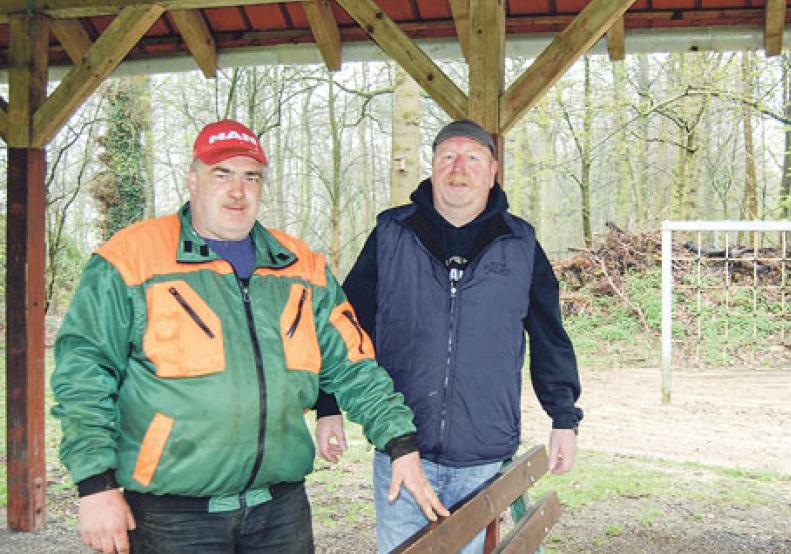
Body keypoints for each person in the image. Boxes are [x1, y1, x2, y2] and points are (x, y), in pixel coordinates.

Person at [51, 119, 448, 554]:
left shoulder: (301, 266)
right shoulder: (129, 260)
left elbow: (354, 366)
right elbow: (84, 376)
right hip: (173, 516)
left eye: (250, 176)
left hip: (279, 510)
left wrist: (400, 442)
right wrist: (95, 485)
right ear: (193, 180)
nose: (237, 191)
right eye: (221, 174)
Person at [315, 119, 583, 553]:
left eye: (472, 158)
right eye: (448, 157)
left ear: (493, 170)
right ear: (433, 165)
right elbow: (345, 328)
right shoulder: (392, 234)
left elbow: (550, 336)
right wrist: (327, 405)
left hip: (482, 458)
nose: (459, 168)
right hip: (402, 452)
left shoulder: (519, 243)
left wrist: (564, 417)